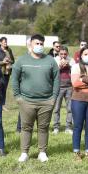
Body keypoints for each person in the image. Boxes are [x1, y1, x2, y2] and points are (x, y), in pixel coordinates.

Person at [12, 34, 59, 163]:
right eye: (37, 43)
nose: (39, 46)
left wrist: (53, 98)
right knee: (26, 128)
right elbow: (14, 79)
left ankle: (42, 152)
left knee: (43, 128)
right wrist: (18, 97)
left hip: (46, 101)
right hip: (26, 101)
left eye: (41, 44)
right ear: (30, 44)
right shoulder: (21, 60)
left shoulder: (50, 61)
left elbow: (56, 80)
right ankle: (24, 153)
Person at [52, 46, 75, 135]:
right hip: (58, 87)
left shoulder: (71, 60)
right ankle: (56, 127)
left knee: (70, 109)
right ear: (59, 54)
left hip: (69, 87)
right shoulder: (55, 60)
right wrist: (59, 67)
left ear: (67, 53)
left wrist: (69, 65)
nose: (63, 56)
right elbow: (52, 73)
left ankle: (68, 127)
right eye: (61, 54)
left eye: (65, 54)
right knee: (56, 108)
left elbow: (75, 71)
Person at [0, 37, 15, 111]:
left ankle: (2, 105)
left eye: (6, 41)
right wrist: (2, 62)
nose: (5, 43)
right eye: (4, 42)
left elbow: (13, 60)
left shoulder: (9, 50)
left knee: (4, 89)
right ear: (0, 43)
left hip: (7, 72)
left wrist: (10, 61)